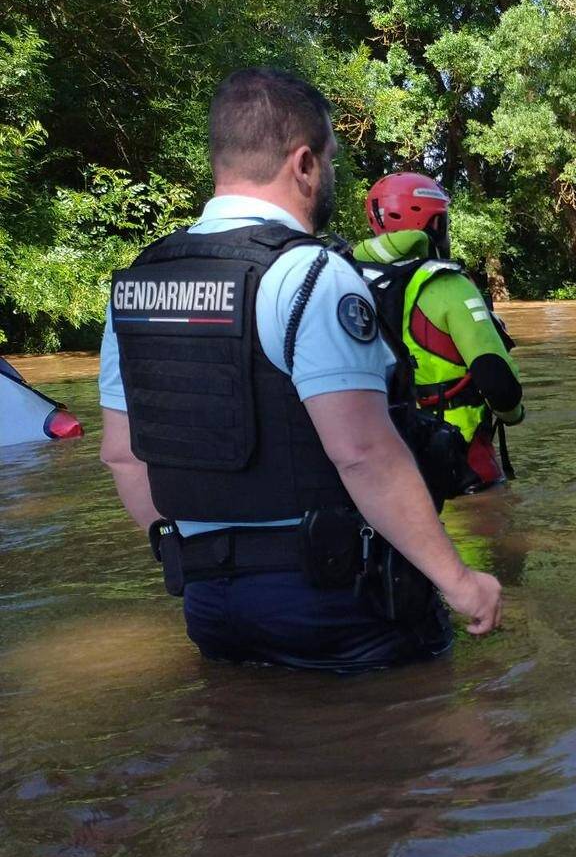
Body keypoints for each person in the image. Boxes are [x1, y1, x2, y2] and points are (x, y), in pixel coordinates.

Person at [98, 67, 502, 671]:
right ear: (304, 163)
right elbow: (362, 453)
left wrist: (196, 554)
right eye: (331, 160)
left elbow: (123, 455)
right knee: (425, 747)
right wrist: (459, 580)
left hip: (208, 604)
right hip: (335, 596)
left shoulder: (137, 284)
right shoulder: (311, 274)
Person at [350, 172, 524, 489]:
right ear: (435, 224)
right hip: (461, 463)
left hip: (382, 465)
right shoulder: (448, 283)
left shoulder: (344, 278)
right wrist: (514, 414)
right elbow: (498, 381)